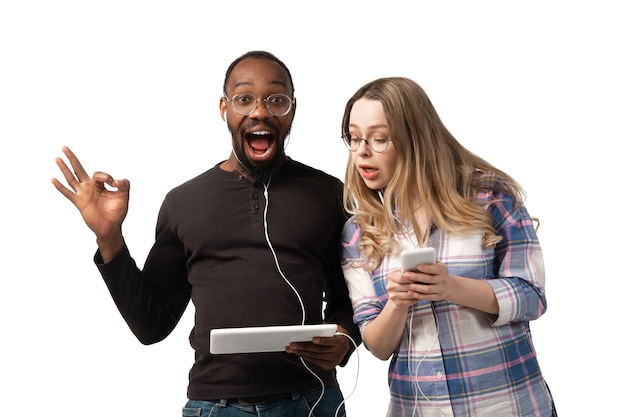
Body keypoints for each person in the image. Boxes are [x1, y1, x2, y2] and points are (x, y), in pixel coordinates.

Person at [52, 50, 361, 417]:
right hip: (216, 406)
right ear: (224, 109)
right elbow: (151, 325)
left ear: (292, 110)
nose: (260, 112)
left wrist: (345, 336)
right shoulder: (184, 202)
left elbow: (354, 294)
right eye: (244, 99)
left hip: (312, 401)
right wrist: (109, 238)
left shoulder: (329, 194)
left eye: (276, 100)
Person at [339, 77, 557, 417]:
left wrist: (450, 287)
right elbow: (378, 346)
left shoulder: (488, 197)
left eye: (379, 138)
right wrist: (397, 304)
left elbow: (531, 296)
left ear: (416, 138)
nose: (362, 151)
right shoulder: (359, 232)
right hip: (417, 409)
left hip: (507, 405)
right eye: (354, 138)